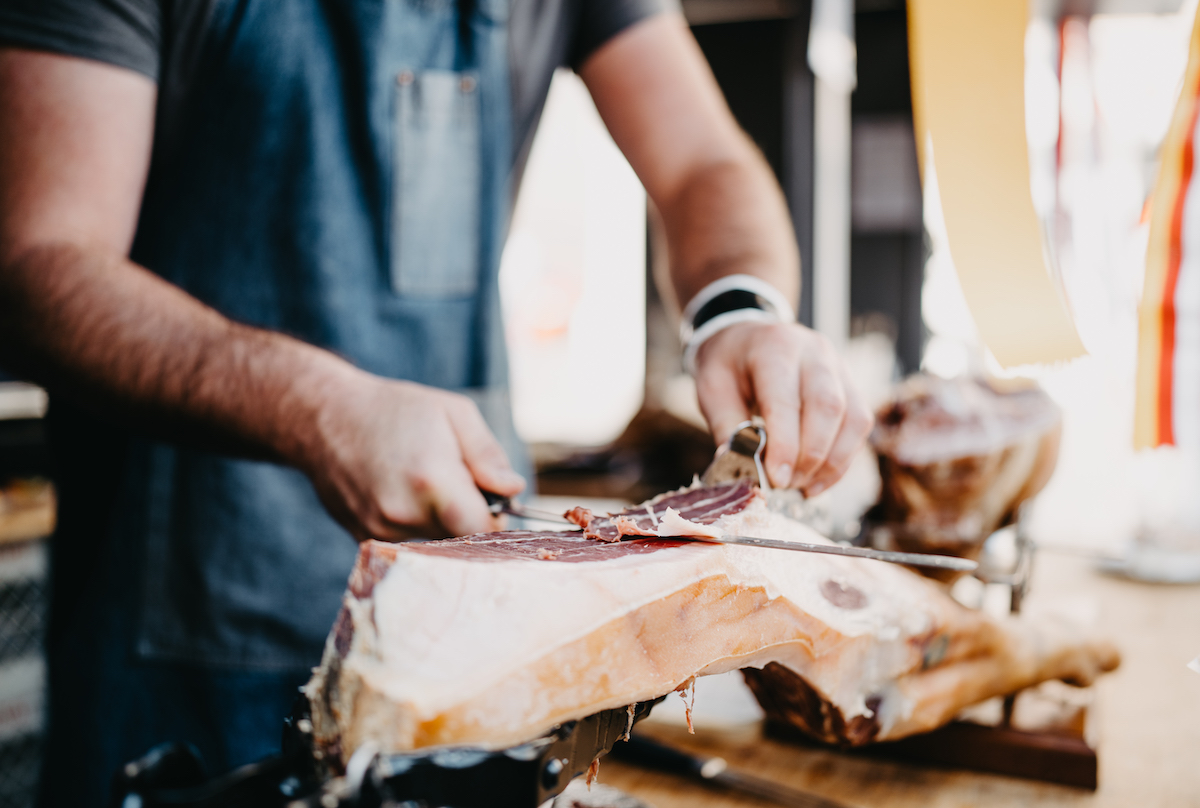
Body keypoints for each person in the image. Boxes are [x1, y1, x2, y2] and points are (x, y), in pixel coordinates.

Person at [0, 0, 873, 804]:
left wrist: (739, 310)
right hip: (184, 646)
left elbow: (700, 161)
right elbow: (39, 262)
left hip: (487, 637)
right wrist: (317, 407)